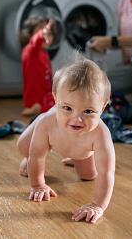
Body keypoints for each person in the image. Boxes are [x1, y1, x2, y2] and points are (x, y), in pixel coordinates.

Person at [17, 53, 115, 224]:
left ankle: (75, 157)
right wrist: (38, 185)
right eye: (67, 108)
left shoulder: (101, 133)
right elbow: (38, 156)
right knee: (25, 147)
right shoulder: (47, 123)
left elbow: (106, 172)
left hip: (81, 149)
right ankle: (27, 157)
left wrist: (97, 205)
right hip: (49, 136)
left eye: (88, 111)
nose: (77, 119)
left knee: (88, 175)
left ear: (103, 107)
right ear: (55, 99)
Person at [19, 16, 55, 116]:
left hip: (46, 97)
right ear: (29, 36)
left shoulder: (44, 53)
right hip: (35, 100)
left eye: (49, 34)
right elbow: (35, 42)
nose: (46, 35)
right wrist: (41, 34)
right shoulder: (30, 51)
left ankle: (41, 109)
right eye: (43, 32)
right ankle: (38, 109)